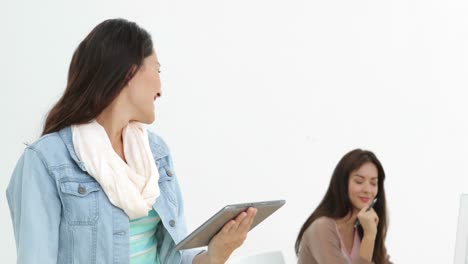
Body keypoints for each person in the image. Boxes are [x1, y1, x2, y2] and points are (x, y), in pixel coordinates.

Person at [6, 18, 257, 264]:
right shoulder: (45, 161)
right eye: (157, 70)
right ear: (130, 72)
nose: (161, 88)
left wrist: (217, 253)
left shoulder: (156, 154)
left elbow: (175, 259)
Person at [295, 149, 392, 264]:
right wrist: (369, 236)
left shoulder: (365, 226)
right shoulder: (322, 227)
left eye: (373, 183)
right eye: (359, 181)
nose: (367, 190)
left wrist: (370, 234)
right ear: (343, 183)